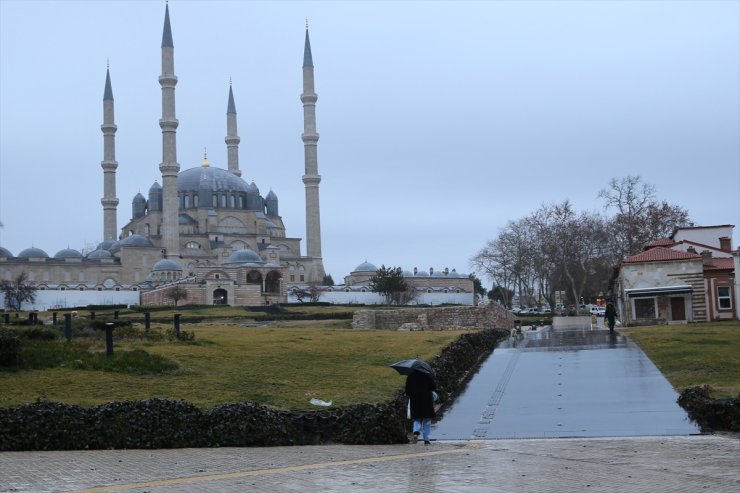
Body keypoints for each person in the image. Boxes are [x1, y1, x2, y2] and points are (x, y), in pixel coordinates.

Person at [405, 369, 436, 445]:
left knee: (417, 418)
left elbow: (407, 391)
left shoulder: (410, 376)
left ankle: (416, 432)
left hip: (415, 401)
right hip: (426, 401)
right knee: (427, 420)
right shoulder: (427, 375)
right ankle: (426, 439)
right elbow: (433, 387)